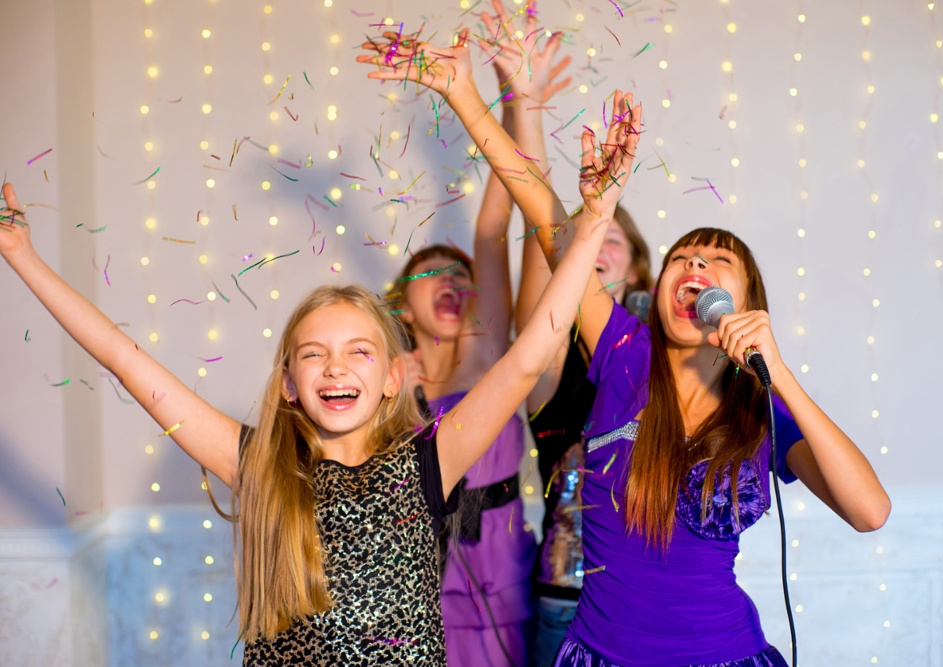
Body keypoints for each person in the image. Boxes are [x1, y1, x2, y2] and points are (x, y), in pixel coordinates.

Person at [1, 79, 639, 666]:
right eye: (314, 354)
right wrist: (22, 256)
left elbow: (530, 355)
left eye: (358, 351)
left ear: (394, 376)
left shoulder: (431, 458)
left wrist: (595, 223)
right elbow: (121, 356)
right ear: (287, 381)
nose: (335, 366)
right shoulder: (258, 462)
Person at [361, 26, 890, 667]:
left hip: (722, 654)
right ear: (659, 281)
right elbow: (539, 207)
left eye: (717, 260)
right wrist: (465, 94)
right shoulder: (621, 348)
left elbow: (869, 512)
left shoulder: (762, 411)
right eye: (683, 257)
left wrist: (777, 373)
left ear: (746, 301)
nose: (694, 265)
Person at [382, 4, 572, 663]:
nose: (451, 278)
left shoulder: (490, 357)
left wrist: (518, 101)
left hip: (499, 594)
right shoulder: (375, 384)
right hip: (406, 602)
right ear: (400, 305)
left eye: (460, 273)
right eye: (428, 271)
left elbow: (496, 227)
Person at [518, 203, 652, 667]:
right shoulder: (550, 355)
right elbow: (540, 227)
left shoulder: (664, 357)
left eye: (609, 239)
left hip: (652, 604)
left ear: (637, 266)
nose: (593, 247)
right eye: (583, 239)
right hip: (566, 598)